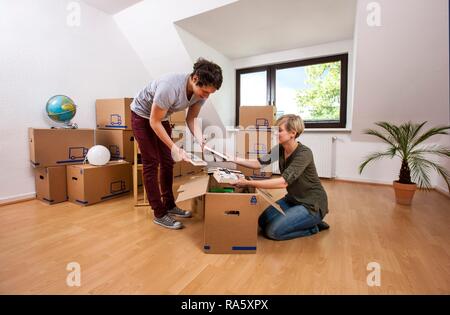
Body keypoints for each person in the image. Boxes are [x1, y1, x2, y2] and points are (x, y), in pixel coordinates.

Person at [131, 58, 223, 230]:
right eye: (204, 92)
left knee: (167, 161)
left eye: (210, 93)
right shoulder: (170, 87)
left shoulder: (201, 93)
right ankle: (159, 213)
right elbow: (154, 122)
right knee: (151, 162)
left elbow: (191, 119)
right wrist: (174, 147)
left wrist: (201, 140)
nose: (206, 96)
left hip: (161, 117)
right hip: (142, 116)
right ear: (195, 78)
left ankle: (169, 205)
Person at [230, 114, 330, 240]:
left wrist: (249, 183)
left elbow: (283, 183)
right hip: (293, 200)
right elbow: (258, 163)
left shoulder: (304, 153)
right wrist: (233, 159)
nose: (275, 133)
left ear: (292, 133)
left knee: (273, 232)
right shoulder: (280, 149)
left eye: (279, 130)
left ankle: (313, 227)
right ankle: (301, 221)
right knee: (262, 221)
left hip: (311, 205)